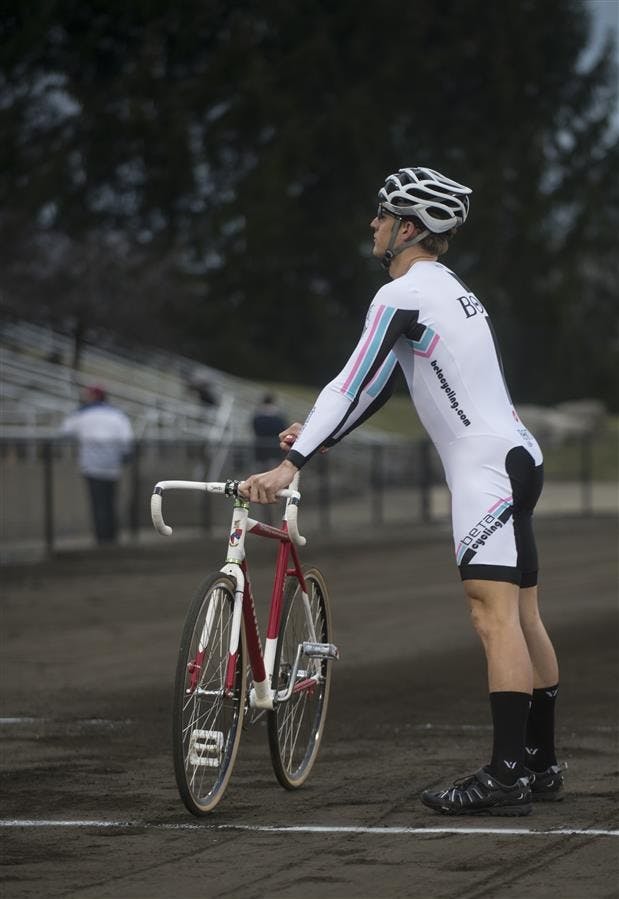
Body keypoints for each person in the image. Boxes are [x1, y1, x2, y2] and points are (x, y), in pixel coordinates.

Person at [240, 167, 563, 817]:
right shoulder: (446, 290)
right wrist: (322, 438)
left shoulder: (400, 295)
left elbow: (348, 379)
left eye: (381, 215)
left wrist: (292, 463)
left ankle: (505, 778)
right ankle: (538, 763)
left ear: (407, 228)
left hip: (485, 474)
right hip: (516, 457)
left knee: (491, 617)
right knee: (523, 615)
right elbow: (380, 383)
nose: (372, 223)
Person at [61, 385, 134, 545]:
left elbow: (65, 430)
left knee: (98, 503)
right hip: (112, 466)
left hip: (92, 466)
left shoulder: (82, 414)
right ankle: (111, 537)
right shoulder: (117, 415)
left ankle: (102, 538)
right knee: (110, 502)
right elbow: (127, 441)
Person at [252, 393, 287, 469]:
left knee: (260, 466)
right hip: (273, 445)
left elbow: (254, 427)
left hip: (261, 444)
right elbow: (283, 428)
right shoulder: (278, 415)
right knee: (272, 466)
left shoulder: (257, 414)